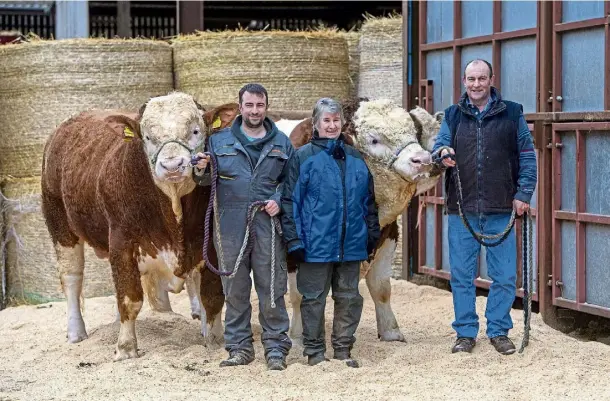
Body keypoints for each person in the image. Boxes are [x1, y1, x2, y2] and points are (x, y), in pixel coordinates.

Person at [431, 59, 537, 355]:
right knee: (462, 276)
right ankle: (465, 333)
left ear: (491, 79)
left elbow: (527, 156)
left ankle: (499, 330)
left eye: (481, 78)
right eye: (470, 79)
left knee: (504, 276)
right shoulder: (452, 115)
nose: (476, 84)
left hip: (501, 207)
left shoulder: (512, 112)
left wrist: (524, 193)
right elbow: (438, 146)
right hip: (462, 210)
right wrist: (442, 153)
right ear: (463, 82)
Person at [193, 83, 293, 371]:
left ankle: (275, 348)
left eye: (259, 105)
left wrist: (277, 201)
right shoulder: (218, 141)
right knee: (234, 289)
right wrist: (200, 167)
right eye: (249, 105)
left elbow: (290, 184)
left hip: (267, 223)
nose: (254, 111)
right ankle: (239, 348)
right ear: (240, 107)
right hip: (229, 224)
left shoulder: (282, 143)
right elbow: (202, 182)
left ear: (266, 107)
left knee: (272, 287)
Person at [280, 97, 381, 368]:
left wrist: (372, 234)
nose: (332, 125)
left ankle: (343, 349)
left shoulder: (357, 159)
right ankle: (314, 352)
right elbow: (290, 202)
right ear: (315, 124)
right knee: (313, 299)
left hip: (351, 243)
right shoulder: (303, 158)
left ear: (342, 124)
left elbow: (368, 202)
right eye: (326, 120)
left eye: (336, 120)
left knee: (349, 297)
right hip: (315, 244)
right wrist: (294, 239)